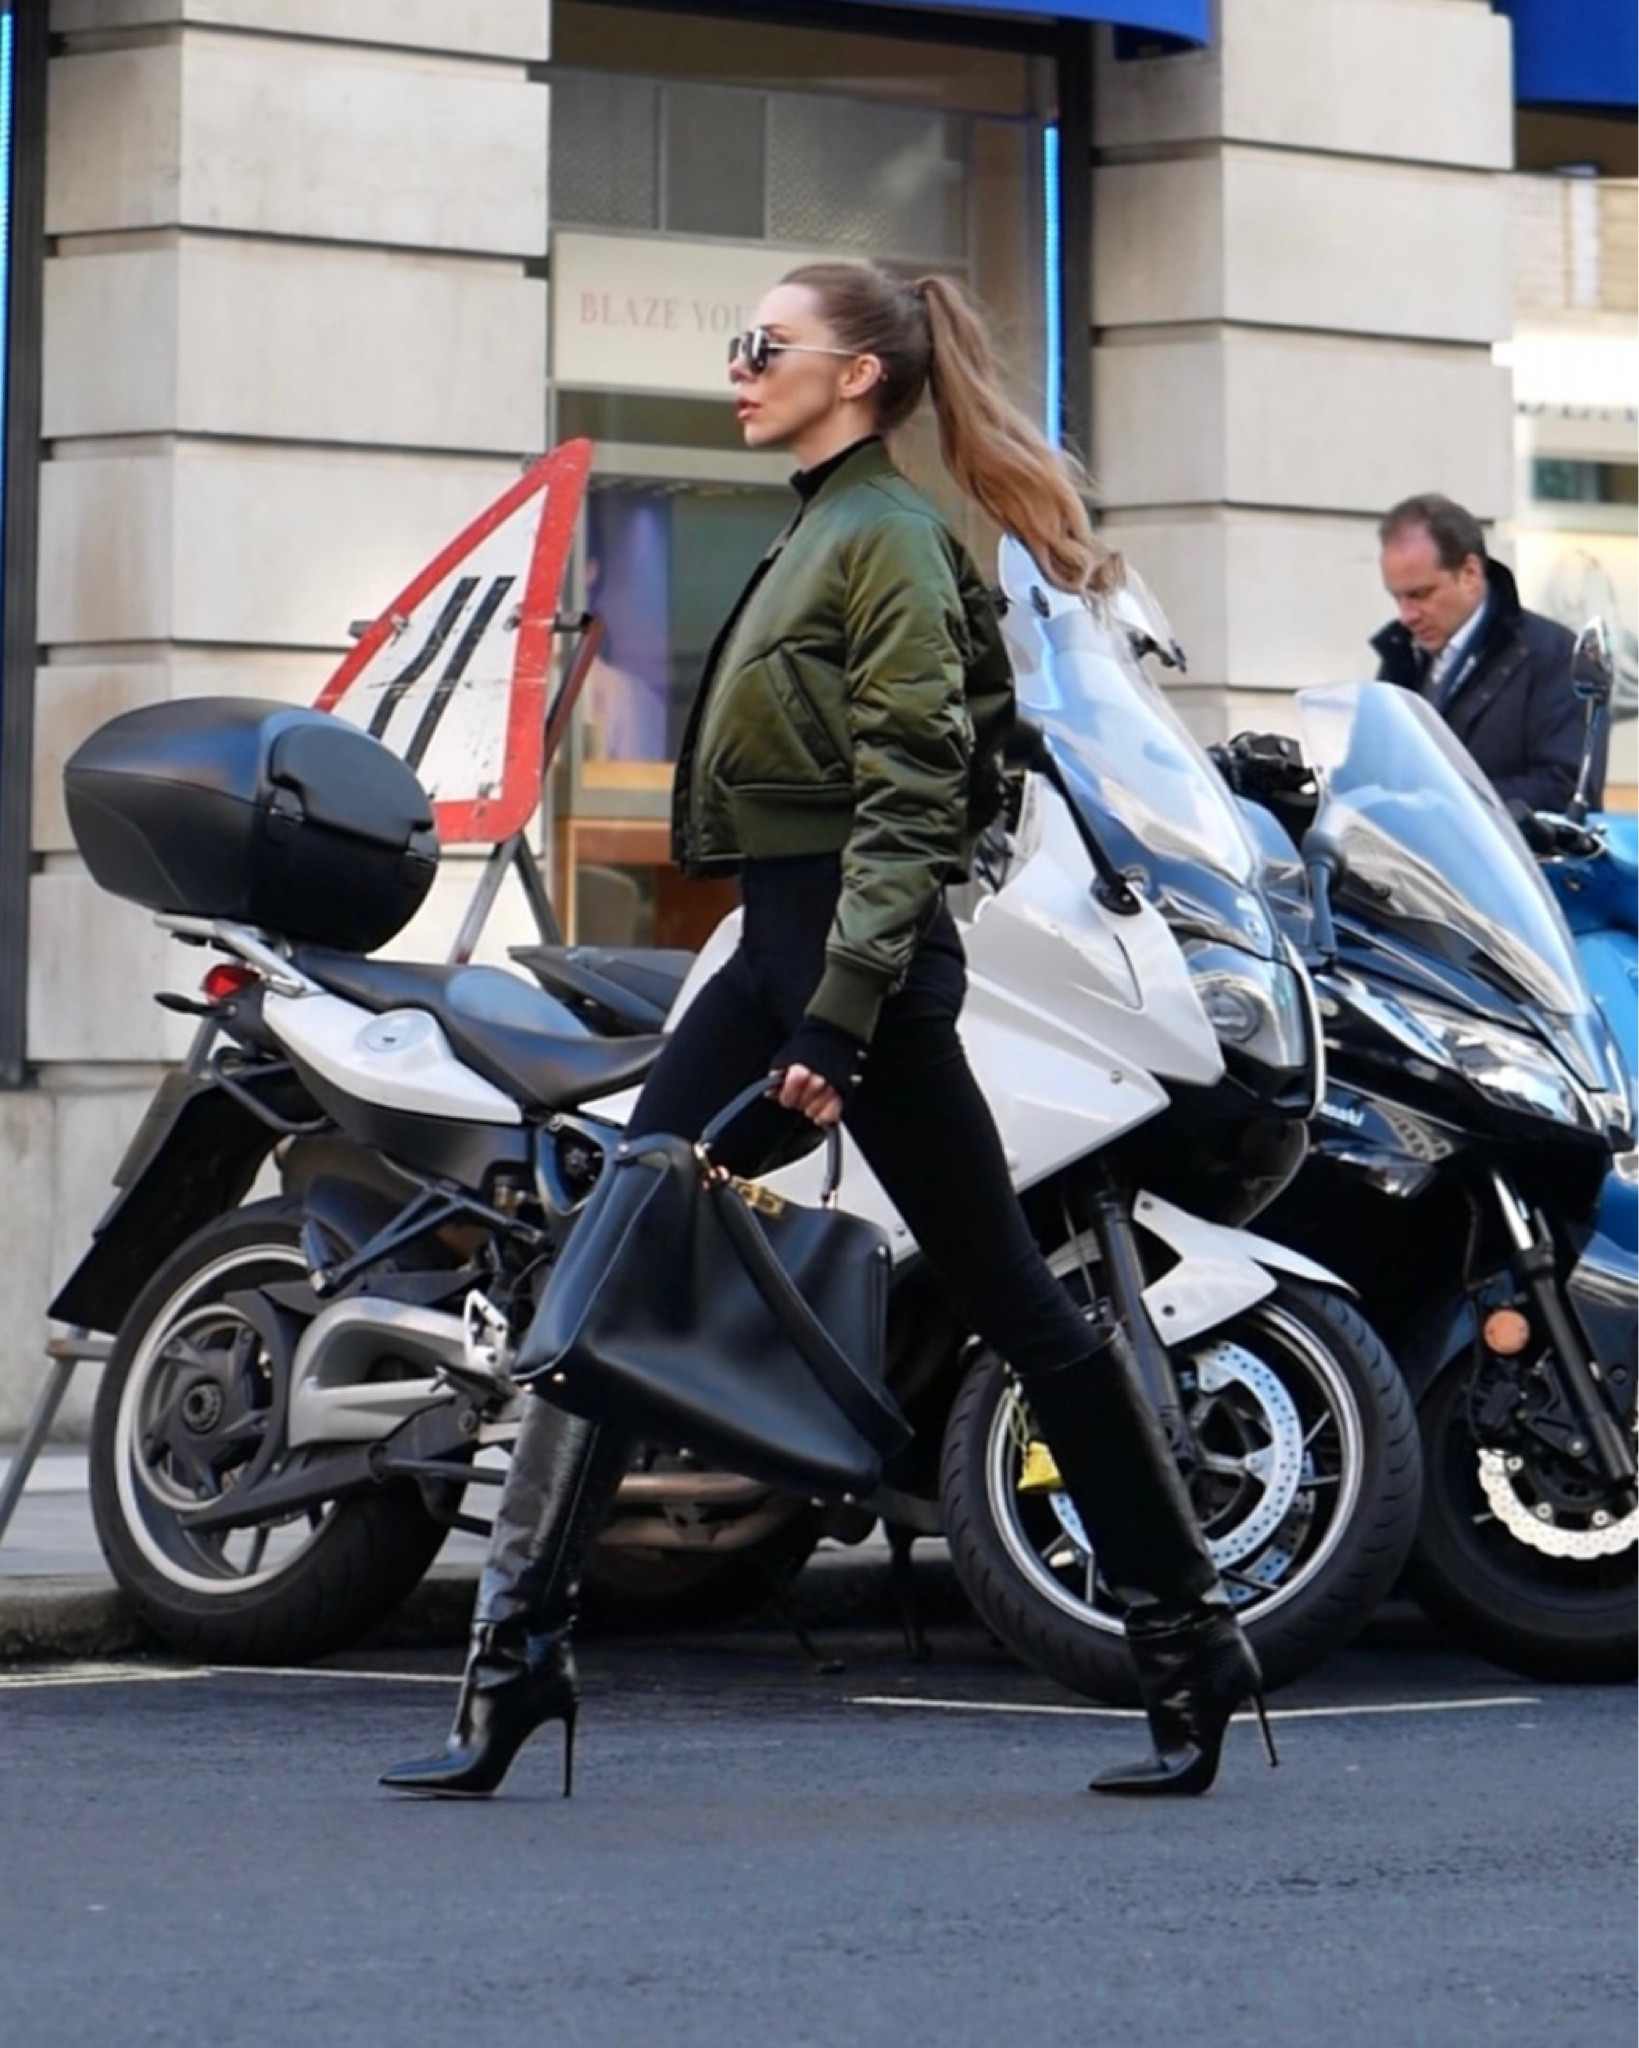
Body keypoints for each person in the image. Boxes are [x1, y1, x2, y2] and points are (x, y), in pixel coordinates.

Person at [381, 262, 1274, 1804]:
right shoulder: (822, 523)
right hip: (772, 956)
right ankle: (518, 1659)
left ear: (855, 374)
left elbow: (922, 800)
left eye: (762, 347)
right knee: (612, 1264)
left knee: (1015, 1301)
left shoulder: (893, 541)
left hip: (851, 967)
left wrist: (842, 1021)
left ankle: (1189, 1645)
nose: (735, 370)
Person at [1373, 493, 1600, 813]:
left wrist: (1443, 801)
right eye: (1398, 598)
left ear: (1470, 573)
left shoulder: (1555, 654)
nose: (1407, 615)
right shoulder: (1403, 655)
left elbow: (1569, 789)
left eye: (1420, 595)